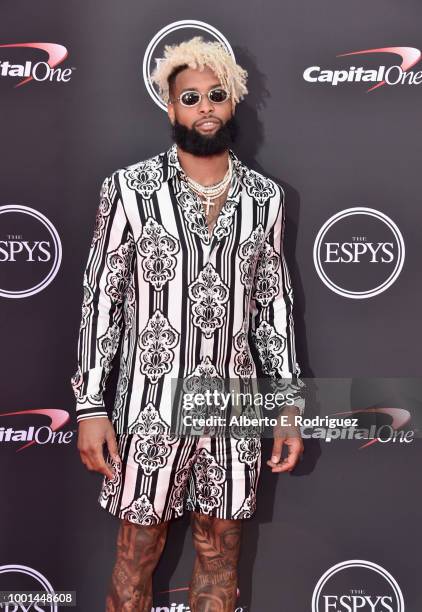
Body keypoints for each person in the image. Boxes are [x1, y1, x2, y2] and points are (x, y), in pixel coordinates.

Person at [70, 35, 305, 612]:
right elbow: (101, 297)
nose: (204, 107)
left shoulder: (266, 199)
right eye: (190, 97)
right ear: (170, 108)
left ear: (232, 105)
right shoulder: (128, 189)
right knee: (136, 555)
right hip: (148, 407)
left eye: (215, 95)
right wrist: (92, 407)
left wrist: (288, 405)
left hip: (233, 405)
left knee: (221, 556)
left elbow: (273, 305)